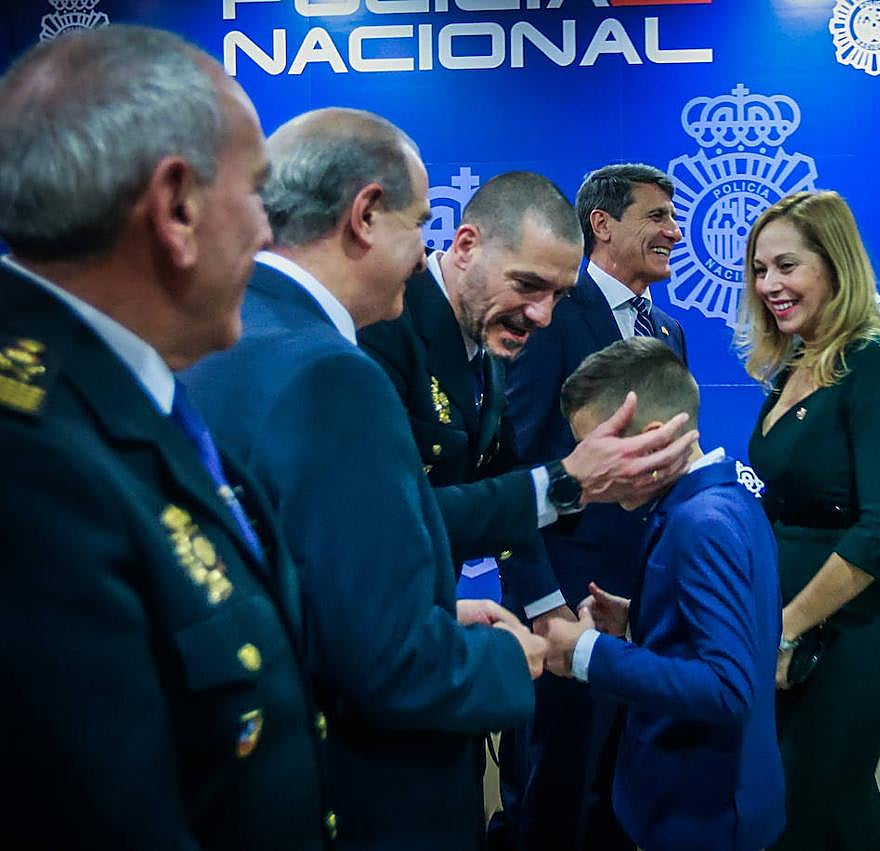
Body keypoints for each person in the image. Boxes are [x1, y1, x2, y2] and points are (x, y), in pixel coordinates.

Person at [182, 109, 695, 851]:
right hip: (357, 737)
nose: (544, 315)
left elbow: (324, 553)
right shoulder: (348, 357)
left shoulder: (270, 332)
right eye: (419, 225)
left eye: (557, 294)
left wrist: (511, 608)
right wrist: (511, 650)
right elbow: (391, 539)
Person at [0, 26, 332, 849]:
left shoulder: (116, 397)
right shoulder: (29, 467)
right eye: (258, 195)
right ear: (177, 208)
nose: (267, 232)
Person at [502, 162, 687, 850]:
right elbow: (515, 466)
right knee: (558, 786)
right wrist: (540, 601)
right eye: (656, 216)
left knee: (625, 784)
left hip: (643, 608)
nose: (673, 230)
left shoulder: (667, 330)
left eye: (673, 216)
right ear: (602, 225)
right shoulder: (550, 317)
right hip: (566, 602)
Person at [542, 337, 787, 851]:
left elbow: (729, 687)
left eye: (603, 452)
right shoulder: (720, 502)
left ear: (653, 439)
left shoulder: (703, 524)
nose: (594, 481)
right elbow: (731, 633)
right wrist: (637, 619)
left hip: (700, 815)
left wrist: (587, 653)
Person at [740, 190, 880, 850]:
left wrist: (790, 625)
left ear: (835, 265)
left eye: (787, 266)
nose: (769, 285)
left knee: (821, 794)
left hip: (860, 627)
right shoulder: (799, 355)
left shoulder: (877, 364)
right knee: (807, 800)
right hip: (794, 616)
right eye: (760, 269)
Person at [358, 171, 584, 626]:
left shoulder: (488, 326)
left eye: (559, 295)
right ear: (465, 247)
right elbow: (384, 516)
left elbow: (498, 477)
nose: (543, 315)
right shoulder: (384, 322)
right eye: (527, 285)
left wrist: (544, 605)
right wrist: (570, 480)